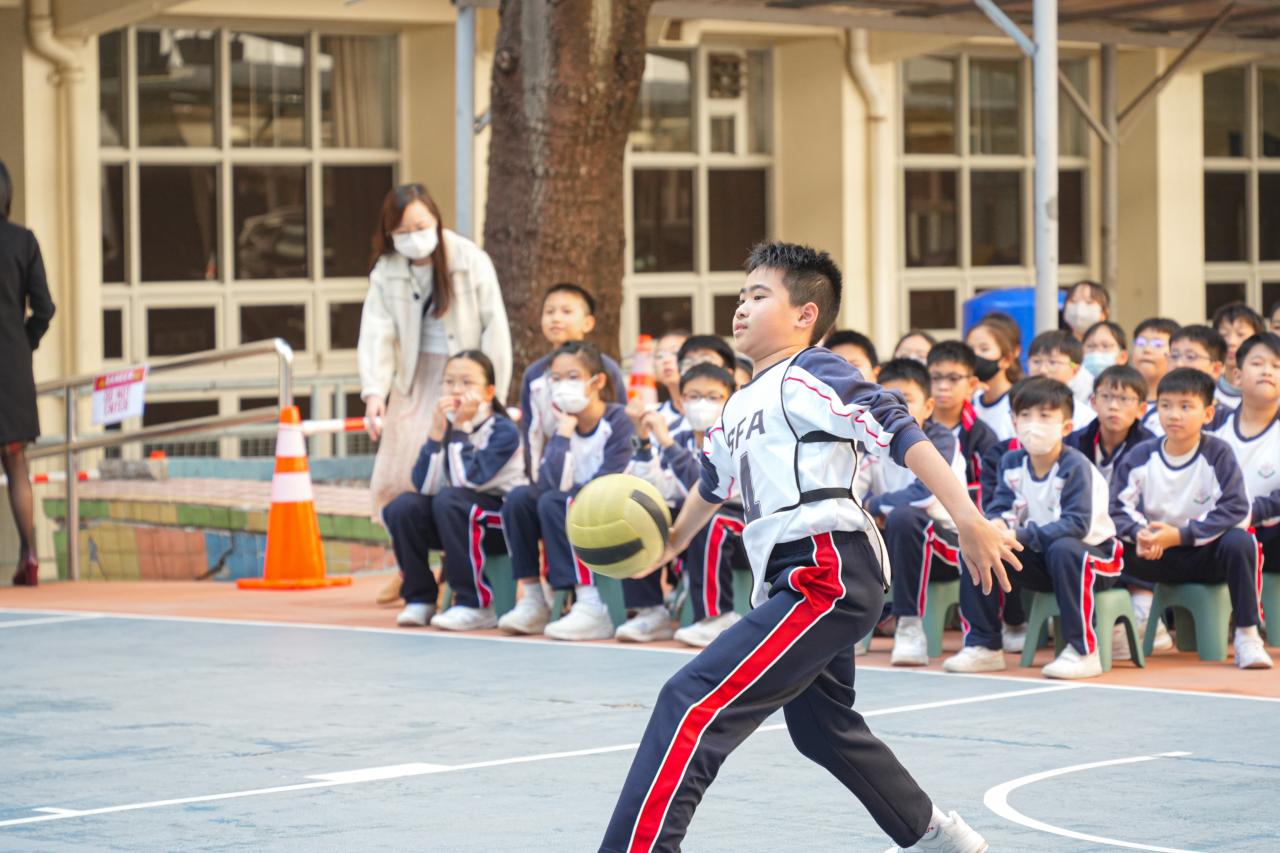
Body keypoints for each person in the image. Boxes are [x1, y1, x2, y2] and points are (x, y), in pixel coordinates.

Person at [599, 242, 1018, 853]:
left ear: (805, 314)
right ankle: (939, 837)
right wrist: (668, 544)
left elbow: (898, 427)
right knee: (822, 729)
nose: (741, 308)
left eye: (758, 295)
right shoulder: (738, 405)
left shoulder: (814, 371)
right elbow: (710, 486)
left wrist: (969, 517)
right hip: (793, 577)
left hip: (827, 567)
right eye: (740, 296)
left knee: (689, 700)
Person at [358, 183, 512, 603]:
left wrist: (490, 391)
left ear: (437, 221)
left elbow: (494, 326)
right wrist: (374, 391)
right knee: (396, 476)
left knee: (455, 473)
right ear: (389, 232)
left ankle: (451, 563)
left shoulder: (469, 259)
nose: (414, 236)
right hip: (414, 378)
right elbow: (376, 332)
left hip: (463, 376)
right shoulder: (387, 269)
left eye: (421, 226)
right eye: (403, 230)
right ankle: (409, 565)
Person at [948, 377, 1121, 679]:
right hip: (1043, 558)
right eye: (1025, 415)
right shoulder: (1010, 462)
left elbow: (1076, 525)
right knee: (980, 545)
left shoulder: (1075, 466)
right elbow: (1001, 507)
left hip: (1094, 559)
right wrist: (995, 527)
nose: (1033, 424)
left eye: (1044, 415)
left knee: (1065, 548)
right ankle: (984, 645)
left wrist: (1017, 534)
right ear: (1014, 422)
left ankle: (1083, 651)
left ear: (1066, 426)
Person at [1111, 368, 1272, 670]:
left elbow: (1236, 508)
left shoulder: (1218, 453)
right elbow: (1116, 509)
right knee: (1107, 545)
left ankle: (1247, 635)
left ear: (1207, 413)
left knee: (1240, 541)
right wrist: (1141, 533)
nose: (1174, 414)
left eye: (1186, 406)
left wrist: (1180, 535)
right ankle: (1122, 626)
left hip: (1205, 555)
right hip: (1157, 553)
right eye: (1166, 405)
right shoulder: (1141, 455)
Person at [382, 352, 527, 630]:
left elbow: (467, 482)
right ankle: (420, 598)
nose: (456, 390)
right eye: (449, 382)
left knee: (451, 500)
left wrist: (460, 428)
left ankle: (476, 603)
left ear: (489, 392)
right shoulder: (448, 426)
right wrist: (436, 435)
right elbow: (425, 487)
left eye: (467, 382)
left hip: (501, 522)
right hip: (456, 517)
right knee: (404, 507)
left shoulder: (503, 430)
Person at [500, 342, 634, 642]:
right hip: (568, 507)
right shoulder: (564, 427)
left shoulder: (618, 421)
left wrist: (569, 492)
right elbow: (548, 483)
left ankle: (591, 604)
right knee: (520, 499)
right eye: (556, 379)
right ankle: (534, 598)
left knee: (558, 502)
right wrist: (562, 435)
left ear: (597, 381)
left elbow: (610, 479)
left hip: (615, 512)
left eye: (572, 377)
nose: (562, 386)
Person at [852, 359, 968, 667]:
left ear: (928, 407)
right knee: (848, 524)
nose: (895, 408)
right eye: (886, 400)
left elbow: (924, 495)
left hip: (945, 547)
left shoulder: (941, 439)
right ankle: (851, 624)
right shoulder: (870, 441)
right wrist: (866, 509)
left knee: (905, 517)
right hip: (896, 545)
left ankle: (909, 626)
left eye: (906, 400)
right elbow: (852, 492)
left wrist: (876, 505)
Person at [620, 363, 744, 647]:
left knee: (711, 521)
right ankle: (651, 612)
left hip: (740, 523)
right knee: (640, 513)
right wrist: (644, 441)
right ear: (682, 401)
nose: (702, 404)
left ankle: (718, 617)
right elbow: (657, 489)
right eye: (694, 396)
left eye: (713, 397)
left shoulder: (736, 438)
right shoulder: (680, 439)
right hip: (692, 528)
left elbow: (708, 489)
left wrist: (665, 442)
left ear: (730, 399)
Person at [0, 160, 55, 587]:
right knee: (17, 461)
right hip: (12, 365)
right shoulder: (23, 241)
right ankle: (30, 555)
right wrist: (26, 342)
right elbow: (45, 307)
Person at [521, 283, 627, 478]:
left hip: (602, 467)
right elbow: (531, 432)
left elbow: (620, 416)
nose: (556, 318)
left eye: (566, 311)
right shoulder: (534, 373)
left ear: (588, 323)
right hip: (555, 467)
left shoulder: (606, 368)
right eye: (549, 311)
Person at [1209, 333, 1280, 588]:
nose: (1267, 371)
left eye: (1276, 366)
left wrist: (1250, 512)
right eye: (1257, 363)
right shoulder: (1213, 424)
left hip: (1271, 536)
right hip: (1217, 532)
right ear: (1237, 376)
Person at [927, 342, 999, 508]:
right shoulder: (914, 426)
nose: (943, 387)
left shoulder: (982, 436)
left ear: (972, 385)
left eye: (953, 379)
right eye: (935, 378)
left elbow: (989, 489)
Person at [1065, 365, 1152, 484]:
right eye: (1106, 396)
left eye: (1124, 399)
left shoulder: (1150, 450)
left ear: (1141, 409)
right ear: (1093, 402)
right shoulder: (1072, 442)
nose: (1113, 406)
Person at [1146, 325, 1232, 437]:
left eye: (1190, 357)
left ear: (1216, 368)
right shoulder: (1153, 418)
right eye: (1174, 356)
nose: (1179, 364)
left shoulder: (1229, 420)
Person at [966, 318, 1022, 441]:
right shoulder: (971, 398)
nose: (976, 355)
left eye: (984, 349)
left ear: (1006, 359)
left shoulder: (1018, 402)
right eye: (970, 350)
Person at [1026, 330, 1095, 427]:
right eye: (1036, 361)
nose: (1043, 370)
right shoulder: (1015, 404)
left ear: (1075, 368)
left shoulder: (1085, 416)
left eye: (1052, 362)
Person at [1211, 302, 1266, 410]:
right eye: (1224, 335)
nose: (1231, 342)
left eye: (1240, 334)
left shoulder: (1271, 393)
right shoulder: (1208, 391)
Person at [1130, 317, 1179, 433]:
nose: (1147, 350)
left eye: (1157, 344)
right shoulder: (1117, 399)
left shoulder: (1179, 405)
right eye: (1140, 343)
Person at [653, 330, 690, 428]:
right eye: (659, 356)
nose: (666, 360)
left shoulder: (714, 410)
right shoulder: (656, 417)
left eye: (675, 353)